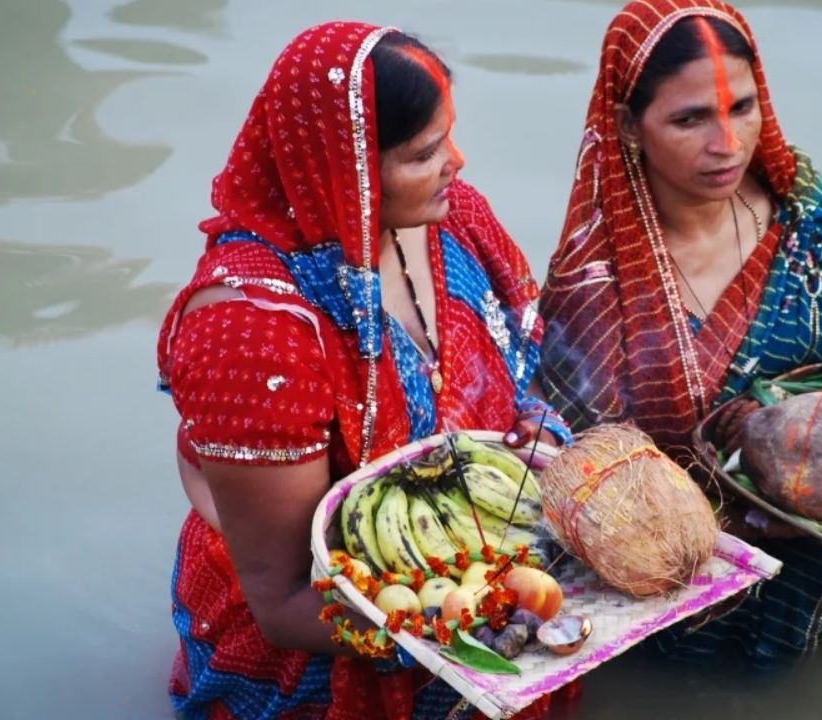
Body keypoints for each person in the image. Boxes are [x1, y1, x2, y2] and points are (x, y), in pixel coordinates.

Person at [156, 22, 572, 719]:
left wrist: (567, 470)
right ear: (342, 171)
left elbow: (522, 389)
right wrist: (488, 617)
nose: (459, 163)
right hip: (321, 646)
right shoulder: (252, 329)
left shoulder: (454, 219)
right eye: (425, 152)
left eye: (450, 137)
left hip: (486, 582)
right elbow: (286, 600)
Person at [538, 0, 822, 668]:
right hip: (671, 608)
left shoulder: (807, 222)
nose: (729, 144)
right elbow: (574, 481)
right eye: (690, 118)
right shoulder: (592, 288)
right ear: (629, 126)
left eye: (743, 108)